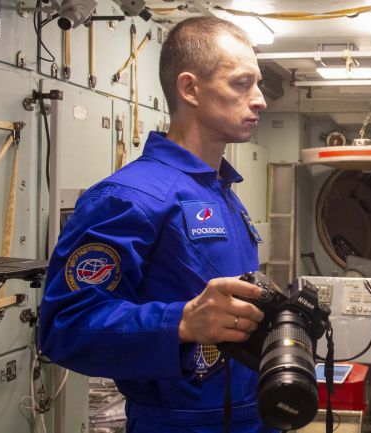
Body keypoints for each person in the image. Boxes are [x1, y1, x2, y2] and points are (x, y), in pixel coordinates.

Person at [39, 16, 274, 433]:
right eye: (242, 84)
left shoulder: (221, 191)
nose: (260, 100)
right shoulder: (128, 197)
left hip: (253, 415)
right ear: (189, 89)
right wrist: (182, 321)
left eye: (258, 84)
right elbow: (65, 327)